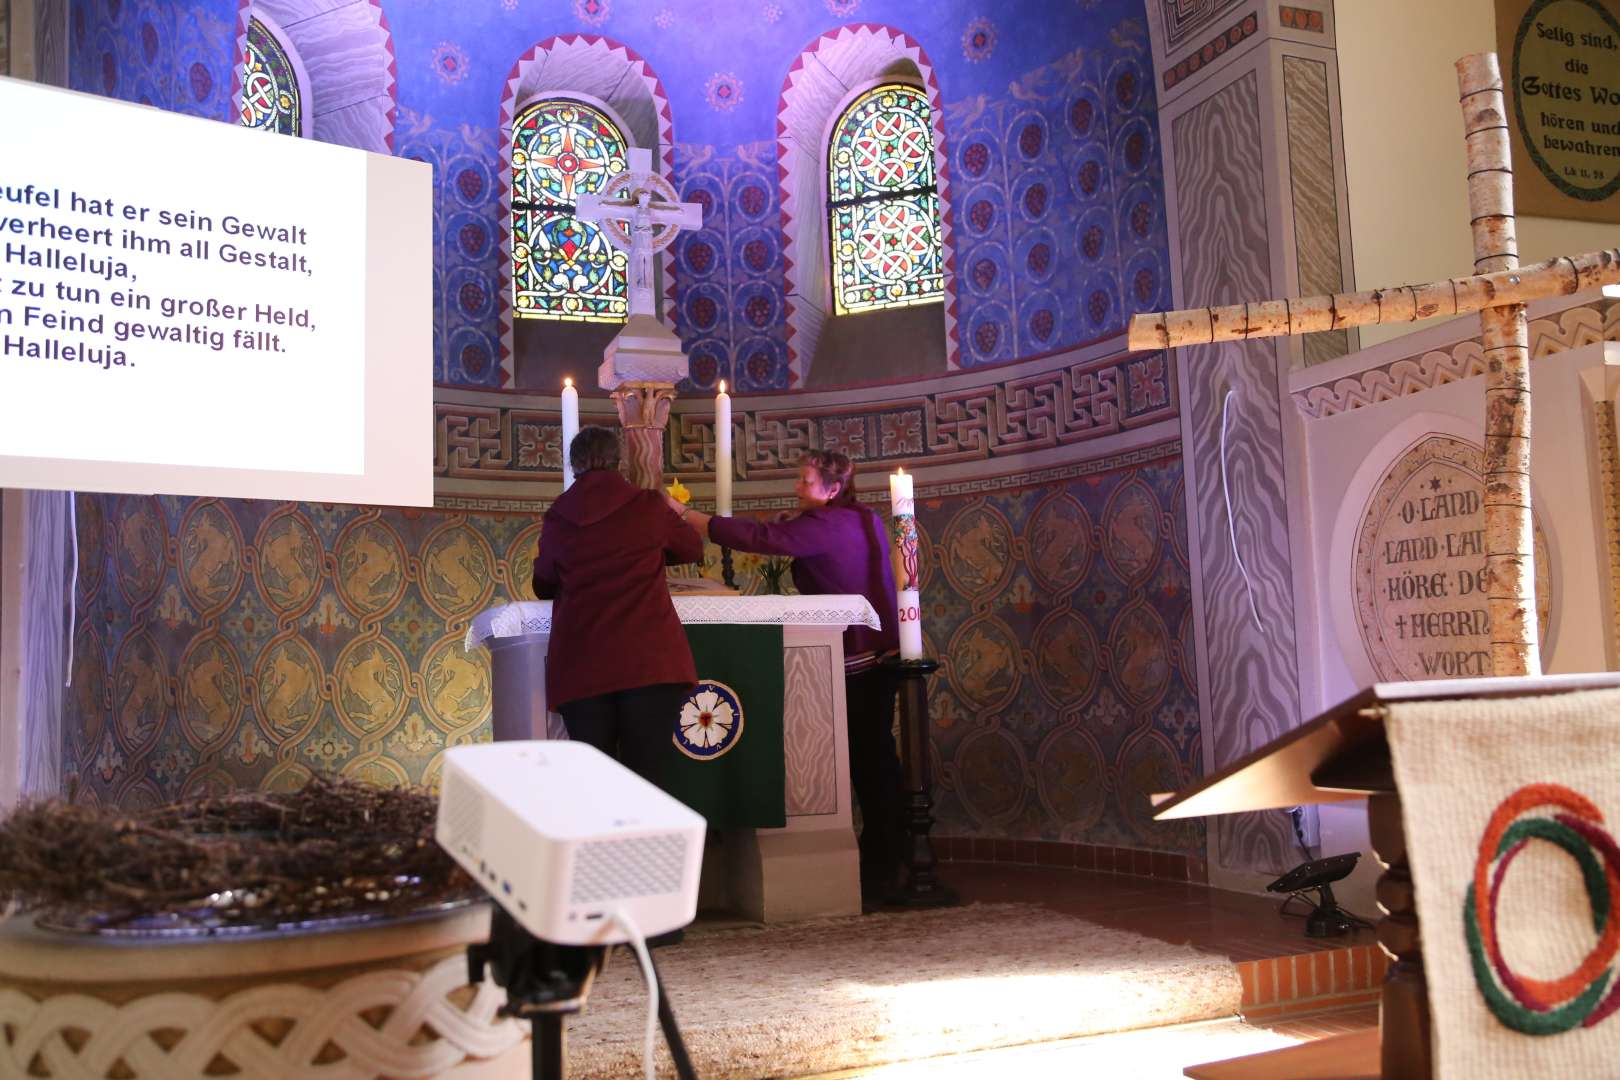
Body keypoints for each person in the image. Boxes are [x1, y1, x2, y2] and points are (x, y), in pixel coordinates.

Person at [664, 449, 905, 898]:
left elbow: (764, 539)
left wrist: (689, 517)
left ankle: (885, 870)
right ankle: (889, 862)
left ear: (833, 489)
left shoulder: (826, 524)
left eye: (805, 480)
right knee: (877, 762)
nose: (798, 486)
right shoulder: (862, 517)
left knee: (871, 764)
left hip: (857, 659)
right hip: (878, 654)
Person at [533, 425, 704, 783]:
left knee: (595, 784)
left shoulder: (559, 516)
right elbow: (691, 547)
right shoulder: (647, 505)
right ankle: (649, 842)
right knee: (649, 779)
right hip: (650, 662)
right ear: (618, 461)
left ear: (573, 464)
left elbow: (543, 583)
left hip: (583, 667)